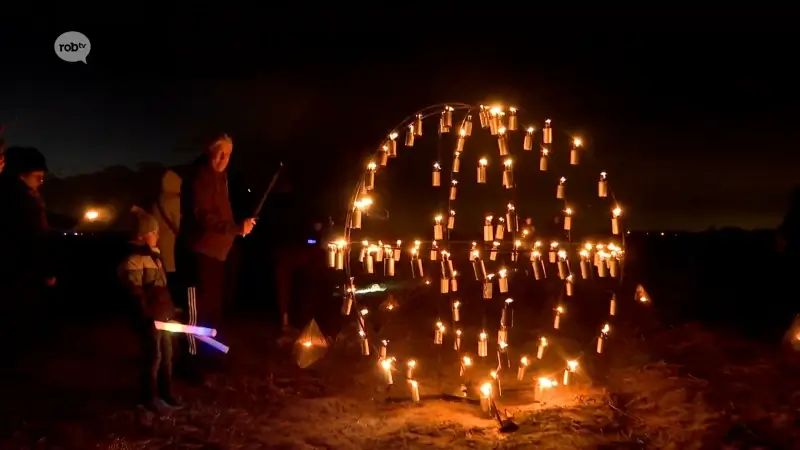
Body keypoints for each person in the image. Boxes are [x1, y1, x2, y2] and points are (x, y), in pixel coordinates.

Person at [179, 133, 255, 374]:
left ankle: (210, 356)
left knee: (213, 308)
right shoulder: (201, 176)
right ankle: (191, 362)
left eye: (229, 154)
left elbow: (223, 212)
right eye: (220, 153)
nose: (224, 158)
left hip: (218, 254)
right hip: (199, 252)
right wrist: (233, 228)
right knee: (197, 310)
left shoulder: (220, 177)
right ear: (209, 152)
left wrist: (239, 228)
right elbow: (204, 216)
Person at [117, 206, 181, 412]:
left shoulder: (155, 257)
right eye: (154, 232)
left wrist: (170, 310)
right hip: (149, 318)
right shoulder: (134, 260)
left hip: (162, 317)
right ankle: (149, 397)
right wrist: (144, 312)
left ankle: (166, 392)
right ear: (143, 236)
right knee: (153, 356)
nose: (157, 235)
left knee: (166, 354)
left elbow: (161, 289)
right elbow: (134, 290)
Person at [0, 147, 56, 374]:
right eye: (38, 177)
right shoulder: (22, 201)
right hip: (19, 273)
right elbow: (34, 240)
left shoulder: (20, 197)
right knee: (16, 321)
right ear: (20, 174)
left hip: (14, 271)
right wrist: (47, 271)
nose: (40, 182)